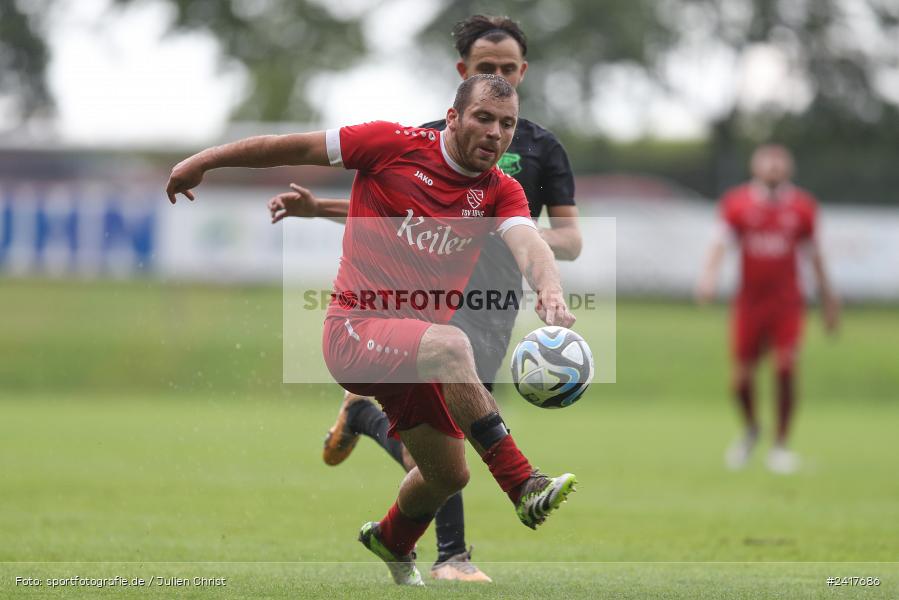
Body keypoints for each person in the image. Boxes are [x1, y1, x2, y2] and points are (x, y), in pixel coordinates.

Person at [166, 74, 578, 587]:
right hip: (355, 333)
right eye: (484, 118)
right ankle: (522, 484)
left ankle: (391, 539)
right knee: (453, 344)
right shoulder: (389, 144)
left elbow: (529, 243)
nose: (496, 133)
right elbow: (284, 146)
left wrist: (551, 289)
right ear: (453, 118)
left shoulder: (500, 189)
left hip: (416, 354)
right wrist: (201, 161)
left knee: (448, 476)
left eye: (508, 124)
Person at [267, 14, 581, 582]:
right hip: (430, 304)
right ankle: (463, 547)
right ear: (462, 79)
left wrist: (533, 261)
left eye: (508, 70)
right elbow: (398, 206)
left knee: (449, 460)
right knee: (451, 374)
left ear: (523, 73)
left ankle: (382, 489)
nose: (498, 80)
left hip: (493, 301)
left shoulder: (538, 151)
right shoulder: (424, 138)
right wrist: (322, 208)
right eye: (486, 71)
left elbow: (565, 239)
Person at [696, 144, 839, 474]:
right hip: (749, 304)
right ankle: (751, 429)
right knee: (740, 381)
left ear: (789, 168)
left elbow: (815, 256)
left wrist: (829, 299)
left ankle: (780, 445)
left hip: (787, 304)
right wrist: (708, 278)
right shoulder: (737, 203)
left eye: (779, 162)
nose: (774, 167)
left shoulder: (803, 208)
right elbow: (720, 244)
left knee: (786, 367)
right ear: (755, 167)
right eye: (768, 161)